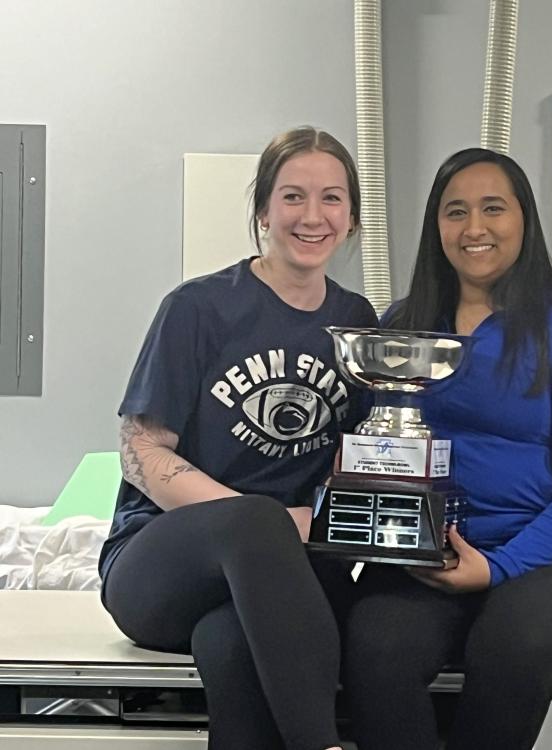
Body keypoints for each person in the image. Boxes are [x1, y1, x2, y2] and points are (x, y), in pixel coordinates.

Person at [98, 126, 378, 750]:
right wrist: (274, 521)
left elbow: (356, 456)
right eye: (292, 197)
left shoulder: (358, 324)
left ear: (353, 217)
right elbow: (141, 452)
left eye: (332, 198)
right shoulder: (197, 309)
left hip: (282, 584)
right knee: (255, 522)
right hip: (163, 567)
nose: (313, 216)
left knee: (229, 649)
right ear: (262, 211)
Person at [343, 148, 552, 750]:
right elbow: (381, 461)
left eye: (492, 208)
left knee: (510, 648)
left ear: (524, 220)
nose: (474, 228)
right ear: (435, 228)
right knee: (372, 646)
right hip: (428, 557)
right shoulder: (400, 328)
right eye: (455, 212)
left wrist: (500, 566)